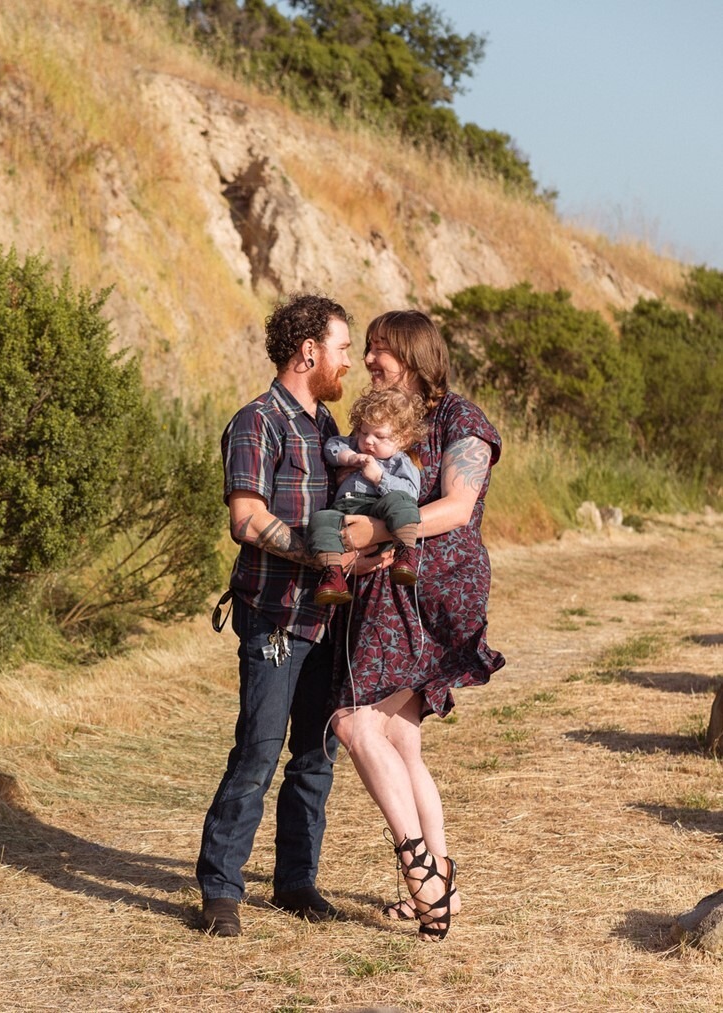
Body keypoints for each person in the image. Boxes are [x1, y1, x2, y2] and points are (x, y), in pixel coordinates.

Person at [196, 292, 370, 938]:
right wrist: (312, 550)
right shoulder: (256, 422)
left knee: (316, 754)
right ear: (308, 351)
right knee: (259, 750)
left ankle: (297, 882)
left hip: (327, 620)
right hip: (273, 617)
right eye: (342, 348)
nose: (348, 361)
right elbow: (246, 518)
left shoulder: (329, 431)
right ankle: (220, 888)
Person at [331, 309, 505, 942]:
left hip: (434, 589)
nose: (371, 360)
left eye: (381, 349)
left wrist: (379, 529)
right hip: (393, 587)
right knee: (401, 737)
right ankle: (444, 885)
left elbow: (459, 506)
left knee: (353, 721)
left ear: (414, 353)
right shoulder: (385, 422)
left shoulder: (462, 420)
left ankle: (422, 874)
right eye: (368, 349)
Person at [307, 386, 426, 605]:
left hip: (377, 508)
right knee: (320, 520)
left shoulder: (400, 461)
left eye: (379, 436)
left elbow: (411, 493)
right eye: (363, 432)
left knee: (401, 503)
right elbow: (331, 446)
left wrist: (379, 477)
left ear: (403, 438)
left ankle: (405, 555)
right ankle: (333, 576)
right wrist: (351, 458)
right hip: (345, 508)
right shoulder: (355, 449)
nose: (368, 441)